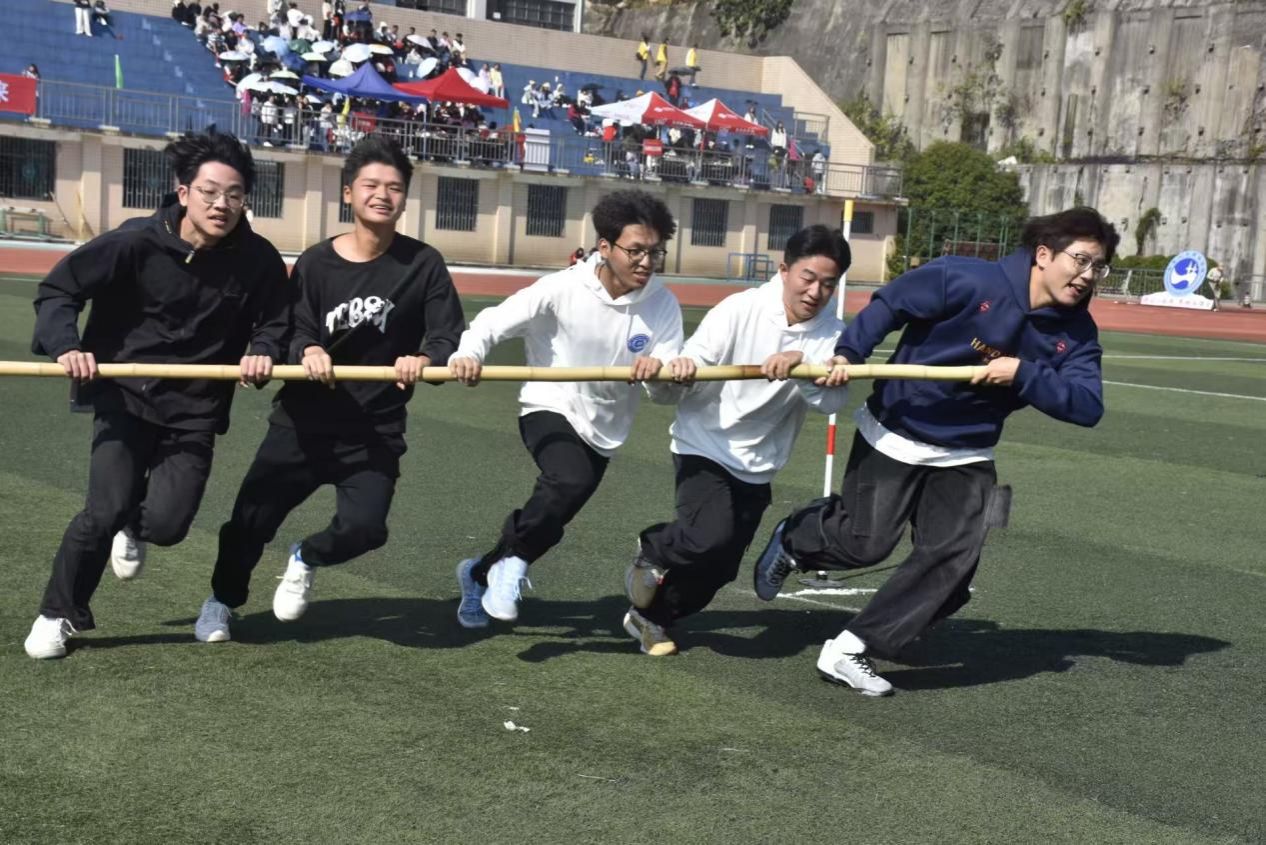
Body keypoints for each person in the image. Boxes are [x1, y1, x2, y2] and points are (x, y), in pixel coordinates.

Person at [751, 207, 1119, 695]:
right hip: (897, 430)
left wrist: (1023, 374)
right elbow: (890, 304)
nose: (1088, 275)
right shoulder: (965, 278)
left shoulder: (1077, 332)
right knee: (864, 543)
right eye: (1081, 260)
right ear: (1044, 254)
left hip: (969, 451)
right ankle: (795, 536)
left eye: (1099, 266)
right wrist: (848, 353)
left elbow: (1088, 406)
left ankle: (850, 648)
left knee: (955, 561)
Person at [23, 131, 291, 659]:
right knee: (104, 509)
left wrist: (263, 350)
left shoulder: (257, 258)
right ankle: (58, 614)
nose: (221, 204)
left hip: (196, 407)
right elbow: (59, 290)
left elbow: (276, 320)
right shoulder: (135, 241)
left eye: (234, 195)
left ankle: (135, 524)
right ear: (184, 191)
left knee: (167, 525)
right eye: (209, 192)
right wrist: (66, 345)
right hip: (125, 395)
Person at [194, 137, 465, 642]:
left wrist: (425, 358)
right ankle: (222, 601)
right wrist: (309, 348)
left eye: (394, 187)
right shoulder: (317, 262)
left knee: (367, 529)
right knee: (249, 521)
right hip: (303, 423)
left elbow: (447, 334)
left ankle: (307, 556)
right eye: (371, 185)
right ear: (348, 193)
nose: (382, 195)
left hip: (375, 428)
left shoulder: (423, 263)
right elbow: (294, 327)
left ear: (405, 198)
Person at [450, 190, 684, 629]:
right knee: (569, 479)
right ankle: (512, 565)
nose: (646, 262)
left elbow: (666, 393)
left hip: (606, 426)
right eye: (636, 251)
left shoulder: (662, 304)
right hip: (549, 404)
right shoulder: (562, 288)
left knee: (556, 510)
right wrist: (469, 353)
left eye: (655, 253)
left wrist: (659, 372)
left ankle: (481, 572)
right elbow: (492, 322)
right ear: (605, 247)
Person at [623, 226, 851, 656]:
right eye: (808, 278)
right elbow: (696, 360)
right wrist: (677, 371)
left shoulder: (833, 335)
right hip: (705, 445)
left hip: (759, 464)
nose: (815, 292)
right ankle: (654, 547)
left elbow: (833, 400)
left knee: (720, 569)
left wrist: (804, 366)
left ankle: (651, 618)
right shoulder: (740, 308)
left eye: (828, 284)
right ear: (784, 270)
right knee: (706, 537)